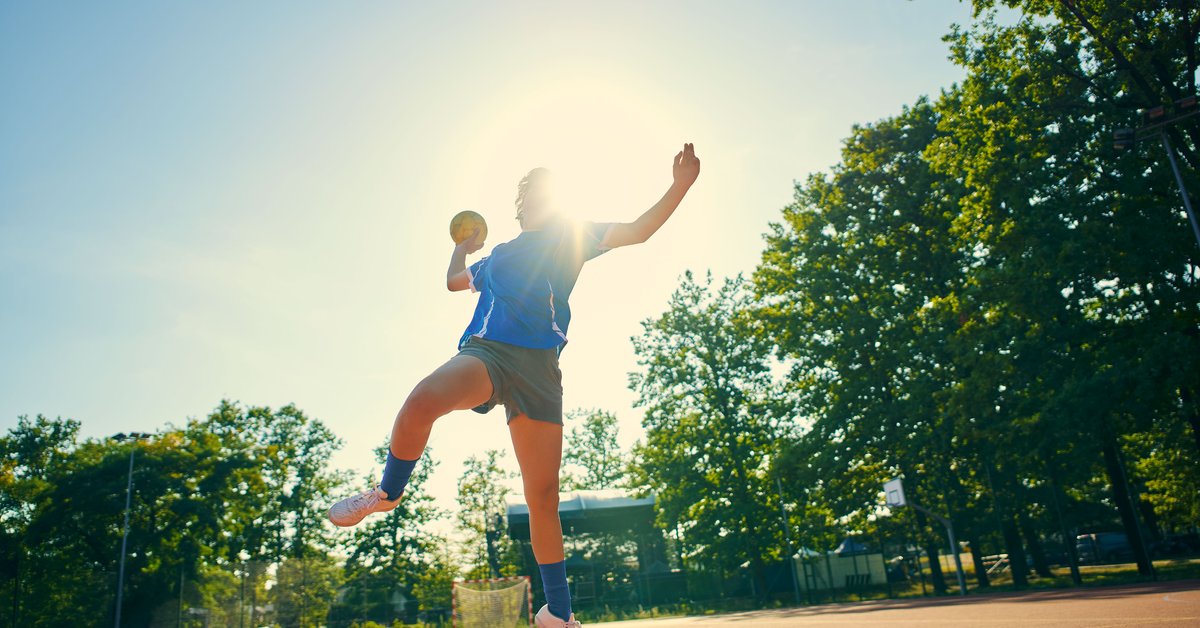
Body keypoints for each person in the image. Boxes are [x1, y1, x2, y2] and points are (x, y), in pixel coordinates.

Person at [327, 143, 700, 628]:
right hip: (489, 354)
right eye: (531, 193)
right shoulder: (499, 256)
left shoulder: (574, 235)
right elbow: (455, 282)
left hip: (540, 369)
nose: (539, 199)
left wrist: (680, 185)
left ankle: (559, 615)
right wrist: (462, 246)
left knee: (542, 496)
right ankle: (387, 492)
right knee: (420, 402)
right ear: (522, 206)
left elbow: (641, 230)